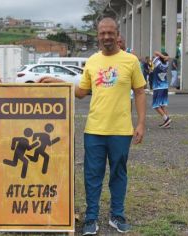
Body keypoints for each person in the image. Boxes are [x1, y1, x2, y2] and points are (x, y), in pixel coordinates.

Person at [39, 17, 146, 235]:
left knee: (118, 173)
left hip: (121, 131)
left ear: (117, 34)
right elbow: (81, 92)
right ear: (98, 35)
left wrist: (141, 123)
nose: (106, 36)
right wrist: (60, 82)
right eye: (102, 33)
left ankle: (117, 215)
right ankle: (91, 218)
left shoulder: (130, 61)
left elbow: (141, 91)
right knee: (92, 175)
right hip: (94, 130)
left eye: (110, 33)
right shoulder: (92, 61)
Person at [151, 51, 171, 128]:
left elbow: (155, 52)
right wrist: (165, 57)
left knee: (155, 105)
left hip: (158, 87)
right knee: (162, 105)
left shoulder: (157, 62)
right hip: (165, 86)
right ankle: (167, 123)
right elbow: (166, 58)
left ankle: (166, 119)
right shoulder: (166, 64)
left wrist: (162, 56)